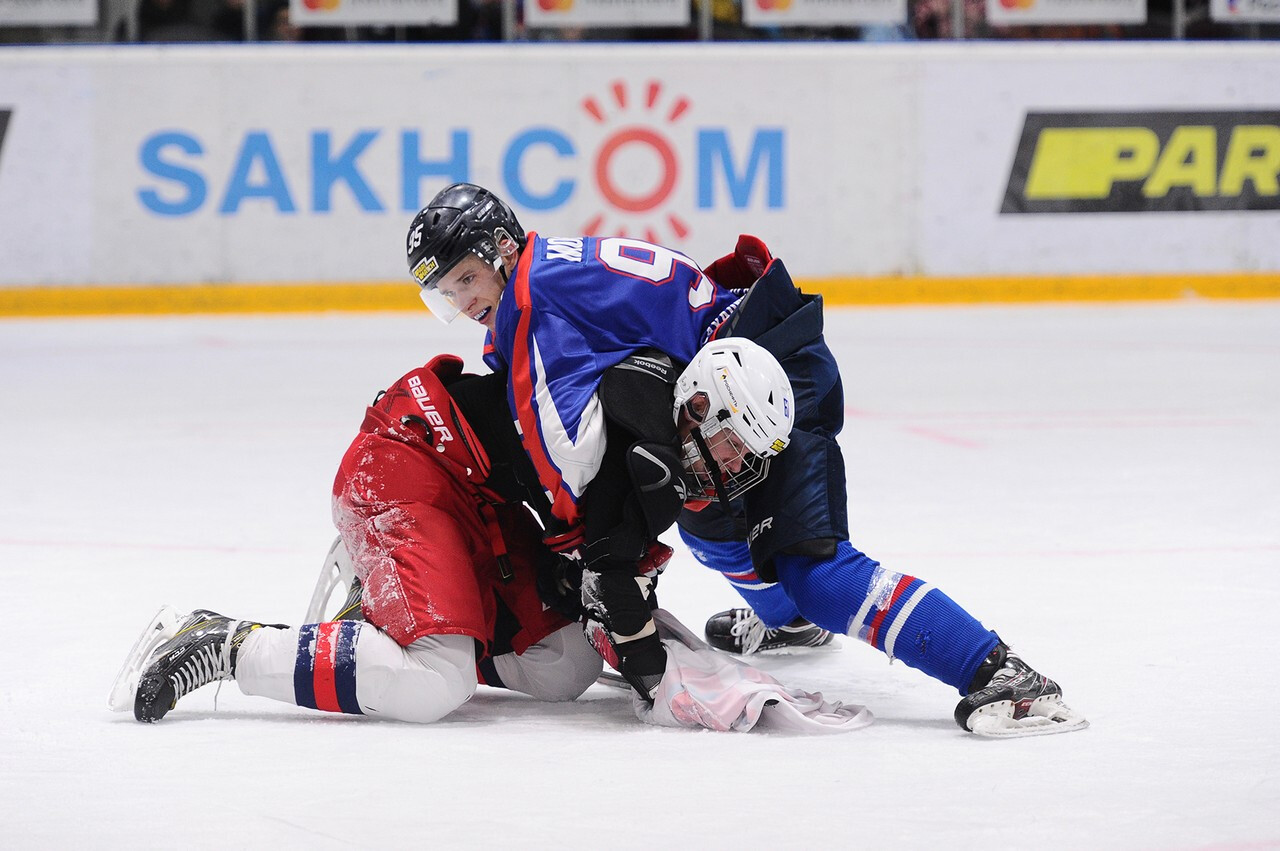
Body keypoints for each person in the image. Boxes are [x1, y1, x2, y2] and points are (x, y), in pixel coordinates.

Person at [403, 183, 1088, 738]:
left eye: (466, 278)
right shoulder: (545, 269)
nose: (464, 304)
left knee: (815, 565)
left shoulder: (528, 295)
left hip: (760, 378)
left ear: (498, 246)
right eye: (448, 292)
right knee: (707, 515)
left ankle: (999, 673)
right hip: (744, 362)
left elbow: (564, 452)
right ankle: (790, 619)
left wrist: (586, 548)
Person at [111, 350, 866, 733]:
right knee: (433, 680)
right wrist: (651, 663)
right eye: (733, 445)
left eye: (744, 461)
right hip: (413, 461)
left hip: (482, 504)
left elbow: (601, 570)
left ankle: (385, 620)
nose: (731, 469)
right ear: (702, 403)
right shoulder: (648, 439)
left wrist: (624, 620)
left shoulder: (660, 414)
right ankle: (225, 642)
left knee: (563, 665)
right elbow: (610, 571)